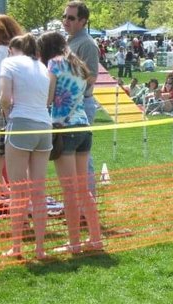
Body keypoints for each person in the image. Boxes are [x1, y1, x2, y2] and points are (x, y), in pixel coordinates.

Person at [38, 31, 103, 254]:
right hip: (83, 126)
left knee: (69, 191)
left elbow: (48, 97)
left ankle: (73, 242)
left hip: (63, 129)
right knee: (83, 189)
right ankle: (95, 238)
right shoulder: (78, 65)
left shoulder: (53, 65)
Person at [0, 34, 52, 259]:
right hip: (44, 127)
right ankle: (40, 249)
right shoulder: (42, 67)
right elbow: (48, 100)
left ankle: (17, 247)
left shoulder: (9, 63)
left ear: (12, 49)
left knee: (18, 191)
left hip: (20, 125)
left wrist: (8, 114)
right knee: (39, 191)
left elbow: (4, 97)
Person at [64, 1, 99, 196]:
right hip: (69, 106)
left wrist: (67, 89)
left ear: (83, 21)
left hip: (82, 105)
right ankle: (79, 204)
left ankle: (88, 204)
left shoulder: (87, 43)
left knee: (82, 156)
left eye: (71, 17)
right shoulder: (70, 41)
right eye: (64, 16)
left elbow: (92, 76)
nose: (65, 21)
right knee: (72, 155)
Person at [0, 15, 23, 197]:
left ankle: (5, 196)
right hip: (20, 109)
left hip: (1, 108)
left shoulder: (0, 52)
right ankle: (10, 195)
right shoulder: (20, 53)